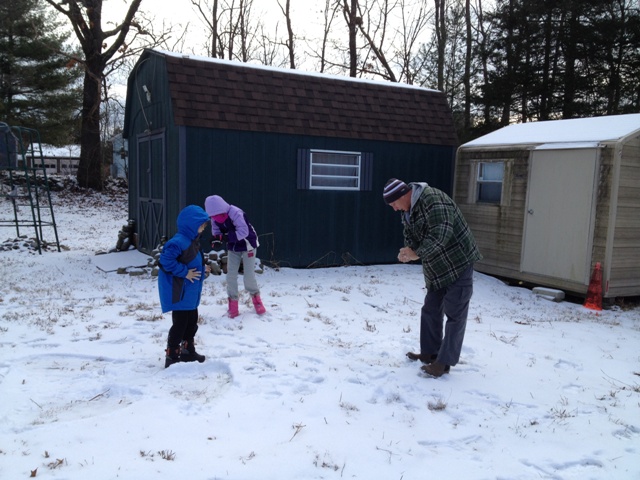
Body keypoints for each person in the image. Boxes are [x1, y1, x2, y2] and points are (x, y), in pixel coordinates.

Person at [383, 178, 482, 378]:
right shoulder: (408, 209)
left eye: (394, 203)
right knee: (430, 309)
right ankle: (430, 353)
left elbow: (440, 234)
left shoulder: (434, 200)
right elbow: (411, 234)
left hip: (458, 261)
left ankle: (443, 363)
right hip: (437, 265)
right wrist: (408, 250)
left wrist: (417, 253)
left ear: (403, 194)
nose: (394, 209)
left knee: (455, 313)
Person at [158, 205, 211, 368]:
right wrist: (185, 272)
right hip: (180, 292)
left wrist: (203, 268)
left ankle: (188, 351)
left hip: (190, 292)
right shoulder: (177, 242)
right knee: (180, 325)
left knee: (191, 322)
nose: (203, 228)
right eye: (201, 225)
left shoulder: (192, 242)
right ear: (191, 224)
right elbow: (165, 262)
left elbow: (191, 261)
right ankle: (172, 355)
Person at [204, 195, 266, 318]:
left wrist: (224, 237)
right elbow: (216, 231)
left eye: (219, 215)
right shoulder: (214, 218)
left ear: (223, 208)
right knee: (230, 276)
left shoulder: (236, 213)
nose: (216, 218)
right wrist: (216, 239)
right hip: (233, 247)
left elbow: (244, 232)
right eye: (213, 216)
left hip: (248, 244)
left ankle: (256, 299)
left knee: (248, 276)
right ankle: (233, 304)